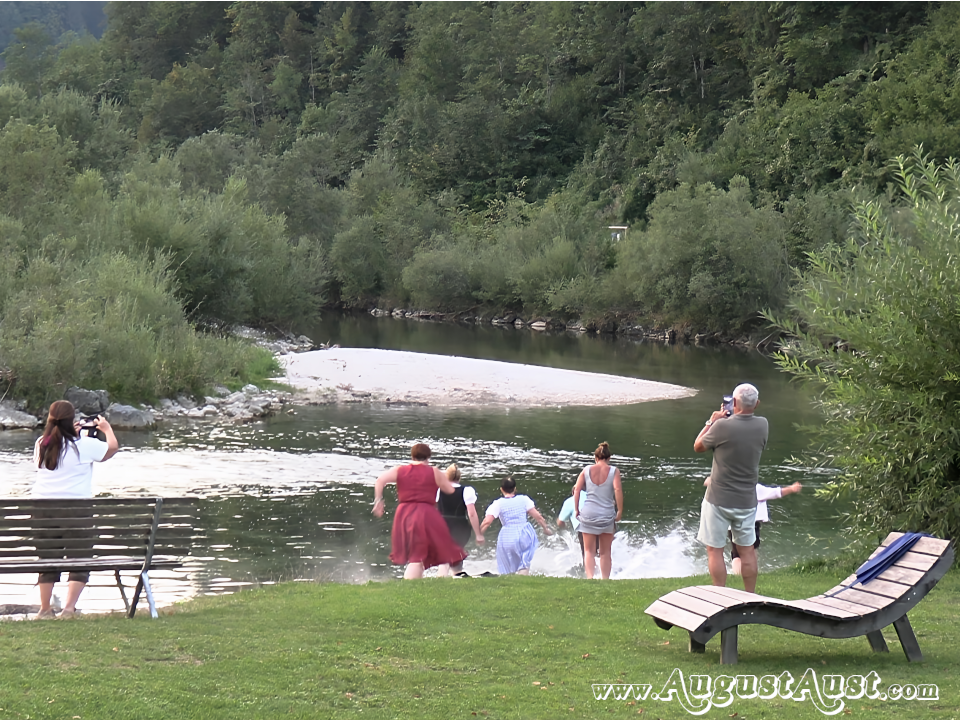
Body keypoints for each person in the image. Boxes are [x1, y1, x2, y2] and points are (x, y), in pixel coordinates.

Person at [32, 400, 119, 619]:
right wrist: (106, 429)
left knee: (48, 559)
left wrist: (75, 436)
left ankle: (45, 609)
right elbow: (111, 449)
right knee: (80, 558)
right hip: (76, 512)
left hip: (42, 511)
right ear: (72, 420)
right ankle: (69, 609)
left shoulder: (42, 443)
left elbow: (59, 454)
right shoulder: (84, 446)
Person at [694, 383, 768, 593]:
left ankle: (720, 594)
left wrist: (712, 421)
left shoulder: (721, 426)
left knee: (714, 550)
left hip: (718, 498)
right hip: (746, 501)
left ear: (733, 403)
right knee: (747, 551)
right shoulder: (763, 425)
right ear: (757, 404)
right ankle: (750, 596)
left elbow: (698, 446)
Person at [372, 443, 467, 579]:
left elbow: (380, 480)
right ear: (428, 457)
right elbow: (450, 490)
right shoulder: (433, 471)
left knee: (416, 552)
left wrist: (378, 501)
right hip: (425, 513)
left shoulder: (400, 470)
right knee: (419, 554)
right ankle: (411, 585)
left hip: (403, 513)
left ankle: (417, 581)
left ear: (412, 456)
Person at [479, 477, 553, 575]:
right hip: (524, 533)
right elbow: (538, 517)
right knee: (524, 561)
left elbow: (487, 522)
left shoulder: (498, 504)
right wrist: (545, 528)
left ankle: (511, 580)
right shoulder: (524, 499)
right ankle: (523, 576)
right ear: (515, 488)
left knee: (508, 565)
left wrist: (479, 534)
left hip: (506, 536)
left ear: (501, 489)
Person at [573, 442, 623, 580]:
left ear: (596, 458)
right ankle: (605, 579)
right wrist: (619, 510)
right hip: (606, 515)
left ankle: (590, 578)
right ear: (609, 458)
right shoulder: (614, 471)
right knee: (605, 552)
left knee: (589, 551)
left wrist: (576, 509)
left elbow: (577, 489)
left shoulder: (586, 470)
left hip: (588, 513)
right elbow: (618, 490)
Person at [435, 464, 484, 577]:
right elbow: (471, 513)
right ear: (459, 477)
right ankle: (451, 575)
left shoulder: (439, 490)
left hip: (443, 524)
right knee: (455, 551)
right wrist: (478, 534)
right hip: (460, 526)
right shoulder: (466, 491)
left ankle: (447, 576)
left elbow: (437, 510)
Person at [557, 485, 587, 566]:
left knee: (587, 554)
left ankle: (589, 575)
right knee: (602, 553)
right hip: (602, 525)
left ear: (574, 492)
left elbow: (560, 522)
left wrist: (566, 529)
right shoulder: (594, 498)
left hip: (584, 528)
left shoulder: (570, 501)